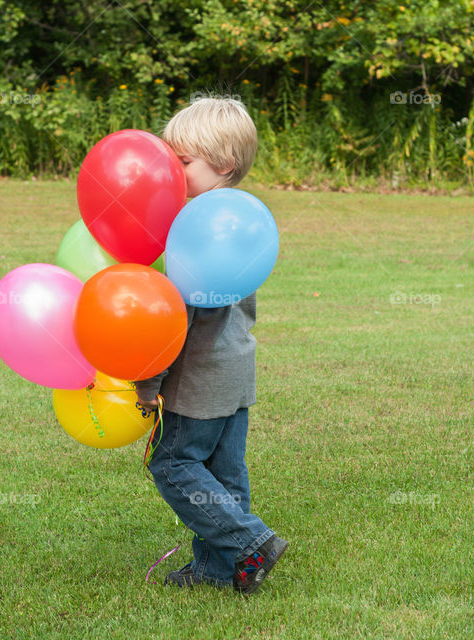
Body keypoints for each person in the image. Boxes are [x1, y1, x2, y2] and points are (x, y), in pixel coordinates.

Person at [135, 96, 288, 595]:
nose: (174, 176)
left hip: (198, 380)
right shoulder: (240, 220)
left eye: (182, 164)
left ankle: (251, 542)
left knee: (173, 464)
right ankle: (221, 570)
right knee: (225, 474)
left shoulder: (198, 229)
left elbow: (177, 323)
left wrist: (147, 384)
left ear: (222, 165)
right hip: (236, 371)